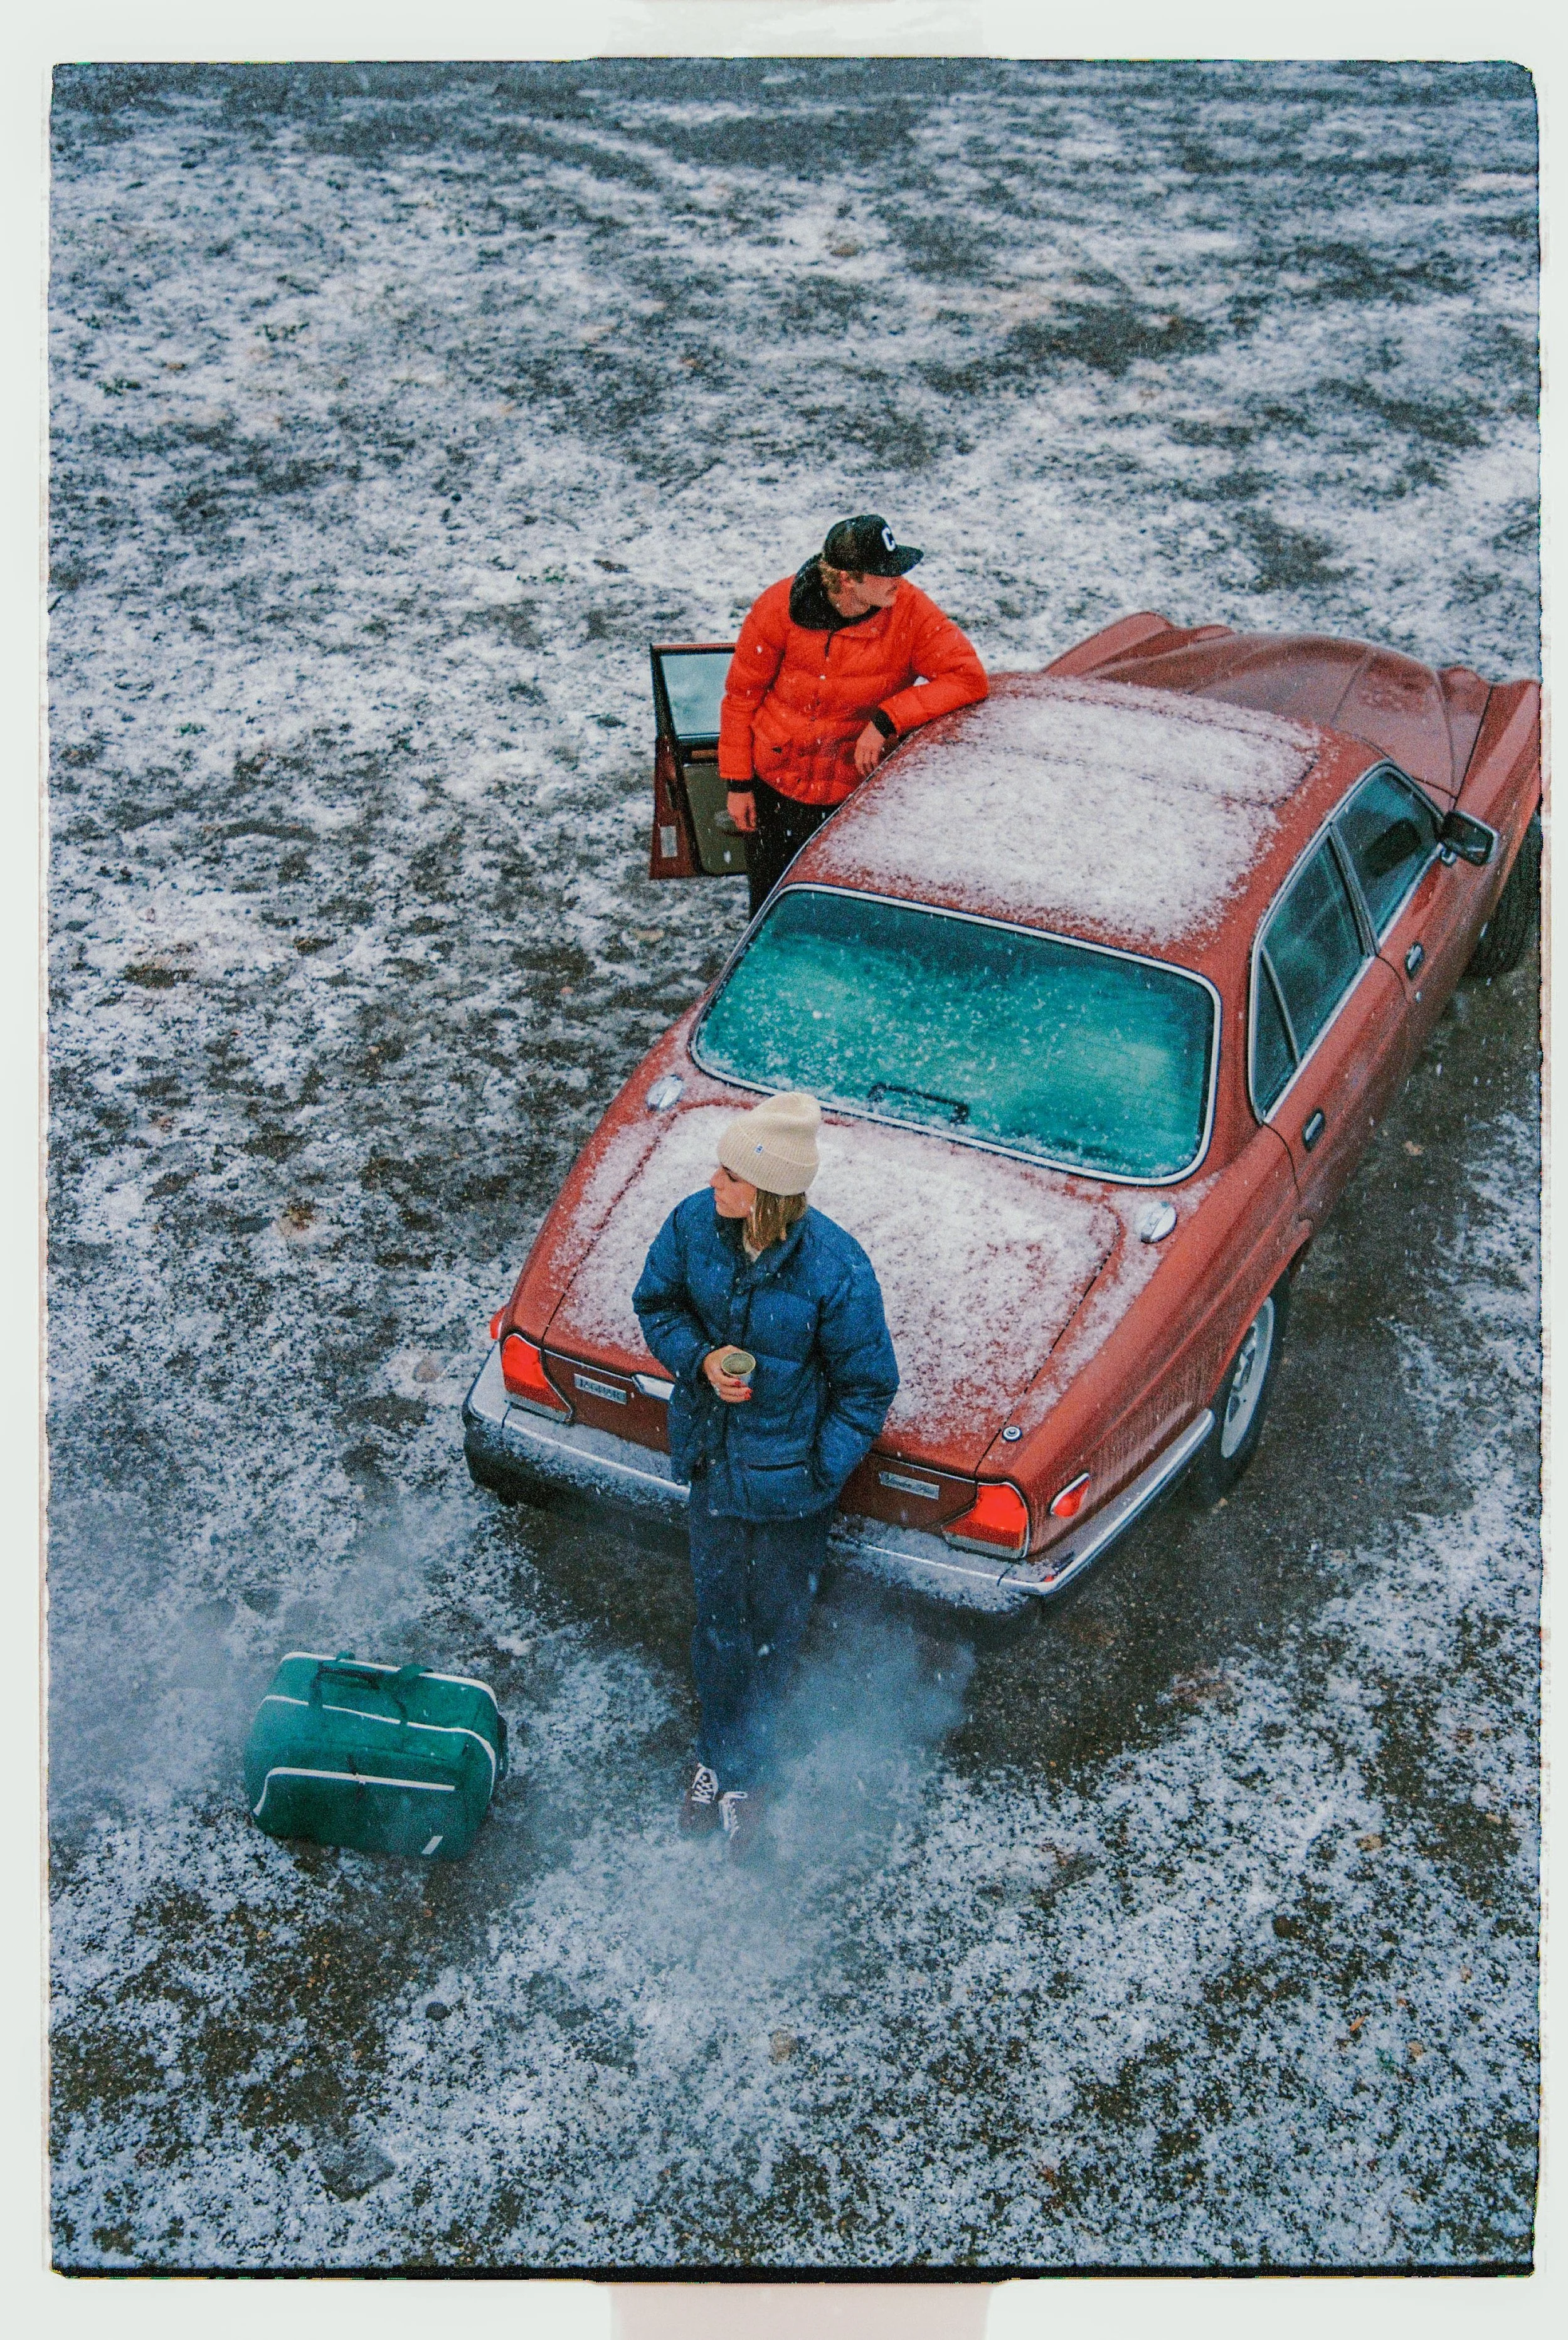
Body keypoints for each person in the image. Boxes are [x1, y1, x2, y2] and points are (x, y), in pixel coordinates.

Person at [632, 1091, 899, 1863]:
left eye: (730, 1172)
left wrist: (820, 1466)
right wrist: (699, 1359)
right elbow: (658, 1303)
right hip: (715, 1467)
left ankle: (744, 1771)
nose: (711, 1177)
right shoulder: (692, 1224)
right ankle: (723, 1762)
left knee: (775, 1631)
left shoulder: (834, 1268)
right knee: (718, 1621)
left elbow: (868, 1385)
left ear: (768, 1193)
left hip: (792, 1489)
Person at [719, 513, 990, 918]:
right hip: (773, 791)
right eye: (884, 572)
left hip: (848, 801)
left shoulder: (909, 612)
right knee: (769, 912)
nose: (898, 579)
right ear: (848, 580)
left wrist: (887, 719)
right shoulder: (779, 608)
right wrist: (738, 783)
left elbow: (969, 677)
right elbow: (742, 697)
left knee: (834, 918)